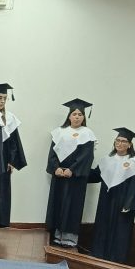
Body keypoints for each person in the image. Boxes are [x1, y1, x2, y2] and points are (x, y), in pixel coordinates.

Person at [87, 128, 135, 263]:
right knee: (103, 226)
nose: (120, 143)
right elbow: (95, 176)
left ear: (130, 144)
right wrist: (78, 171)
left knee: (120, 230)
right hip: (106, 198)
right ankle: (99, 255)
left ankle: (117, 259)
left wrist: (129, 204)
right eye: (117, 140)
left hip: (123, 201)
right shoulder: (107, 160)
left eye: (124, 141)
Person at [46, 98, 96, 248]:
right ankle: (56, 236)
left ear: (84, 117)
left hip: (76, 179)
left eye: (80, 114)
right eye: (74, 114)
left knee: (72, 206)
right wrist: (56, 168)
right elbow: (52, 153)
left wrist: (72, 170)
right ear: (69, 116)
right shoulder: (60, 132)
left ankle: (69, 238)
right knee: (58, 204)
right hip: (59, 176)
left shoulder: (87, 134)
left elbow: (87, 156)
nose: (77, 117)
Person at [0, 83, 26, 227]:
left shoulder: (10, 118)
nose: (3, 101)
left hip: (4, 158)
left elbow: (14, 142)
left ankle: (1, 220)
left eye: (5, 98)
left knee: (2, 188)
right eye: (0, 98)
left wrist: (12, 160)